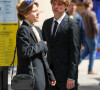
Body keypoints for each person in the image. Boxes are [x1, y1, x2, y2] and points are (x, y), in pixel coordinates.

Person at [16, 0, 56, 90]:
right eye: (34, 11)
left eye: (37, 10)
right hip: (30, 77)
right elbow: (25, 52)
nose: (38, 13)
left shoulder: (37, 29)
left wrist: (50, 75)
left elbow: (43, 56)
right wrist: (41, 45)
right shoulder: (23, 30)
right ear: (25, 14)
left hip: (40, 75)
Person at [42, 0, 81, 90]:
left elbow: (75, 52)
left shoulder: (72, 24)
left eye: (59, 4)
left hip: (66, 76)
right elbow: (44, 48)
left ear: (66, 6)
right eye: (54, 4)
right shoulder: (47, 23)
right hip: (50, 75)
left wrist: (72, 76)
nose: (56, 7)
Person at [79, 0, 99, 74]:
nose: (93, 4)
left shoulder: (82, 13)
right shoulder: (92, 13)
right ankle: (90, 69)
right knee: (93, 52)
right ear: (89, 4)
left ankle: (74, 66)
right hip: (92, 35)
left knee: (85, 52)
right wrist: (97, 34)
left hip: (86, 36)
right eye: (92, 3)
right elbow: (95, 26)